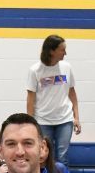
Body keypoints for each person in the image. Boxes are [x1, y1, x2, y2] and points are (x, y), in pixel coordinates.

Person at [26, 35, 81, 165]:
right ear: (52, 51)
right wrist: (30, 123)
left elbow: (72, 93)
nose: (65, 53)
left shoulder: (67, 67)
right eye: (62, 50)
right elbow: (30, 99)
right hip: (43, 120)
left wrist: (76, 117)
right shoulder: (35, 70)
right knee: (45, 157)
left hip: (65, 119)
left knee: (63, 157)